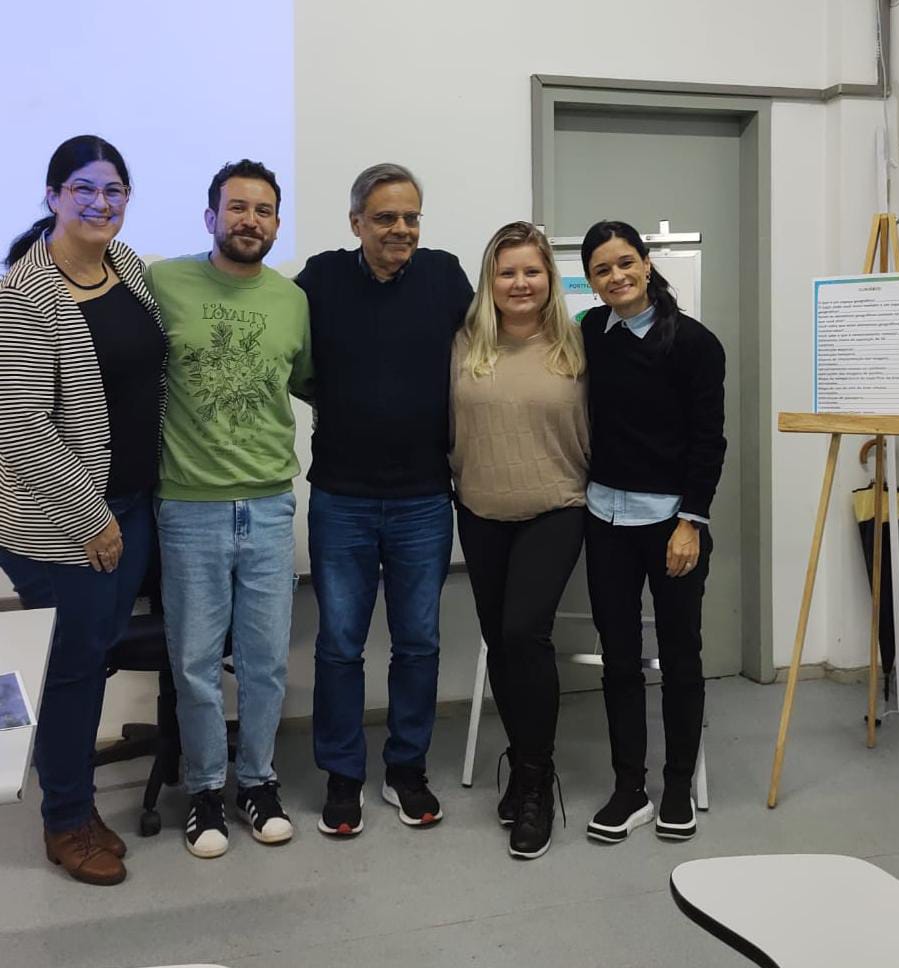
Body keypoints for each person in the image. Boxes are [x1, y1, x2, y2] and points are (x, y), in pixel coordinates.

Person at [0, 135, 167, 885]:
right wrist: (91, 518)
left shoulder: (123, 265)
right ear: (52, 196)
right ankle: (65, 821)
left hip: (130, 500)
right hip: (60, 519)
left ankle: (77, 806)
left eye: (114, 190)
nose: (101, 203)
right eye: (84, 189)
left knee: (90, 654)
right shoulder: (24, 294)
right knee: (73, 666)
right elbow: (20, 426)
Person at [296, 163, 473, 836]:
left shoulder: (444, 275)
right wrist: (339, 400)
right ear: (355, 223)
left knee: (418, 643)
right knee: (340, 645)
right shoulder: (320, 278)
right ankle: (343, 775)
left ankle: (406, 769)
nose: (401, 229)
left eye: (410, 217)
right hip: (341, 497)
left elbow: (483, 353)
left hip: (423, 498)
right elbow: (286, 356)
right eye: (385, 217)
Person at [146, 160, 314, 859]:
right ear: (211, 216)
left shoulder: (292, 300)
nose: (250, 220)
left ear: (276, 223)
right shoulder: (161, 283)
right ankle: (205, 792)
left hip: (270, 504)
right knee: (193, 665)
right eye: (237, 207)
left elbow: (307, 383)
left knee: (265, 662)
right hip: (190, 506)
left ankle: (258, 783)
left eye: (264, 210)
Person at [579, 220, 725, 844]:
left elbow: (709, 440)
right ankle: (629, 788)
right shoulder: (589, 333)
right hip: (604, 520)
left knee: (681, 658)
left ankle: (677, 788)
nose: (616, 276)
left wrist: (691, 520)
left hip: (671, 525)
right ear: (590, 280)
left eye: (625, 263)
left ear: (646, 263)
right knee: (618, 660)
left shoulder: (693, 343)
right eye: (601, 270)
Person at [450, 222, 588, 859]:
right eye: (507, 272)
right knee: (501, 644)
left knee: (523, 633)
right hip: (480, 510)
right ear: (490, 281)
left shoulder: (578, 346)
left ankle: (535, 780)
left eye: (532, 271)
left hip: (555, 509)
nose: (520, 283)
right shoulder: (463, 344)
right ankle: (524, 759)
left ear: (550, 279)